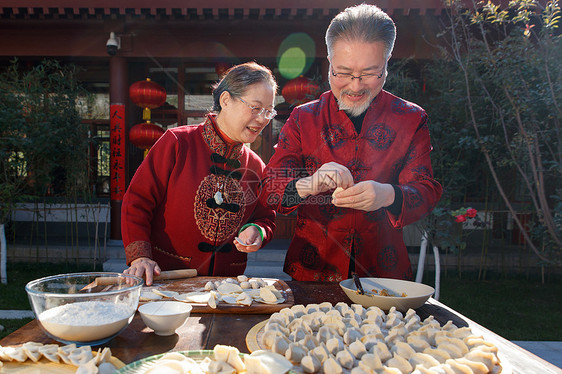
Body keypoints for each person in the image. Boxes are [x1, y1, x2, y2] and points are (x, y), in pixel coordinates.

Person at [262, 4, 443, 282]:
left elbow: (427, 190)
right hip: (313, 271)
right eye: (343, 73)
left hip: (384, 272)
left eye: (370, 73)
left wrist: (388, 195)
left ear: (387, 61)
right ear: (330, 60)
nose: (355, 86)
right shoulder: (303, 118)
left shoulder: (410, 118)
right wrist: (310, 183)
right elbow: (269, 189)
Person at [122, 62, 277, 285]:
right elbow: (137, 201)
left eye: (268, 111)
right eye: (255, 107)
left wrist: (257, 231)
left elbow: (266, 218)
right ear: (226, 100)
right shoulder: (177, 143)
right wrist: (140, 256)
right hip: (164, 281)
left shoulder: (255, 166)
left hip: (225, 289)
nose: (262, 119)